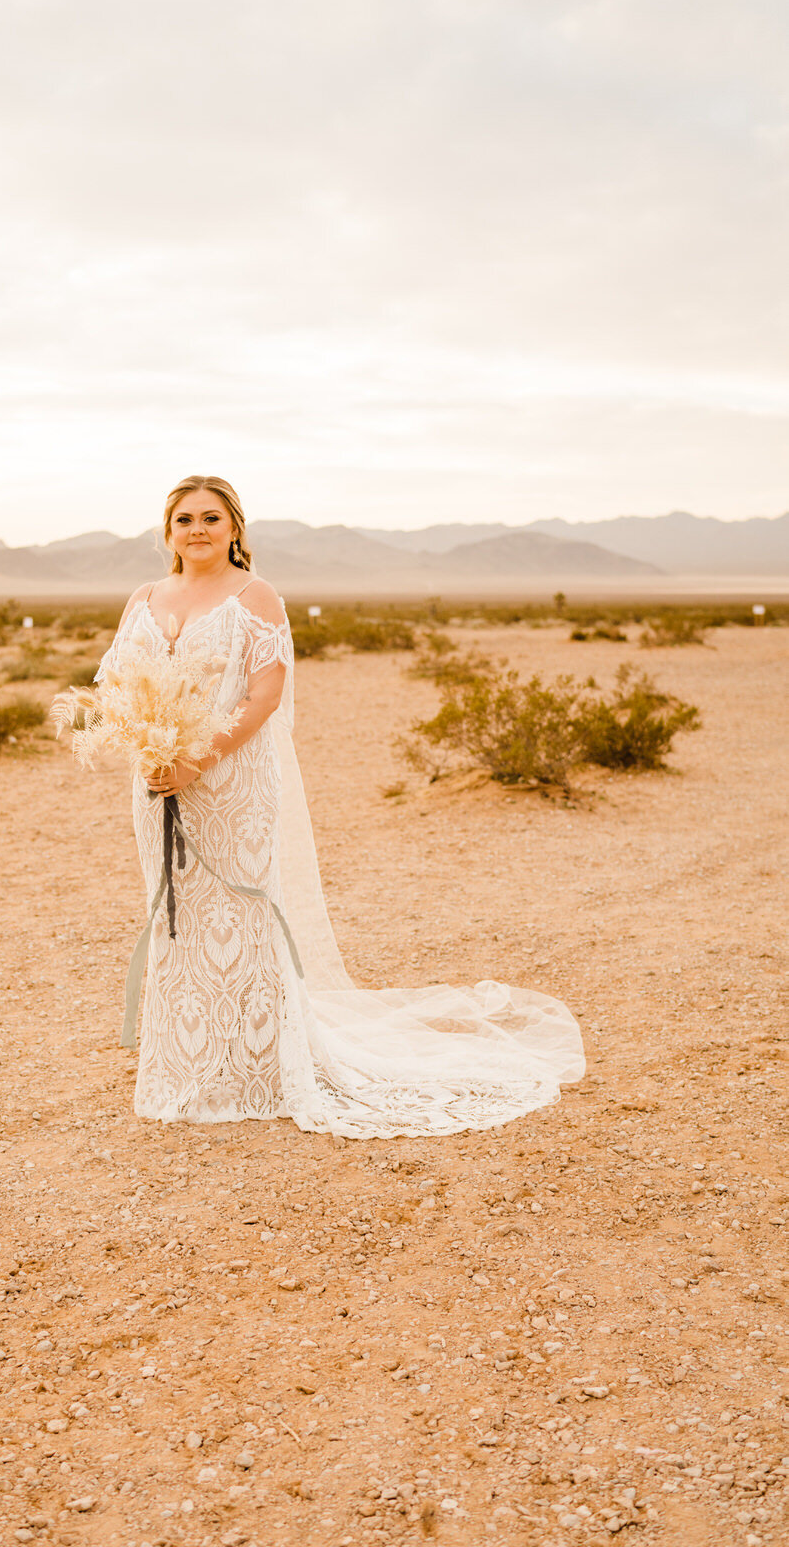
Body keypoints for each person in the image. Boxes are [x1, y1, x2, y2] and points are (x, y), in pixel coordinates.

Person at [96, 476, 586, 1137]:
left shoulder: (255, 596)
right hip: (157, 780)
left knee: (241, 912)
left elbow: (263, 697)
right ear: (168, 530)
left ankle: (260, 1068)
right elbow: (120, 683)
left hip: (231, 778)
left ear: (235, 528)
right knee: (175, 915)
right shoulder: (144, 598)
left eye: (212, 518)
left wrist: (196, 758)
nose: (198, 530)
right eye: (184, 519)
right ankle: (187, 1066)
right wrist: (149, 749)